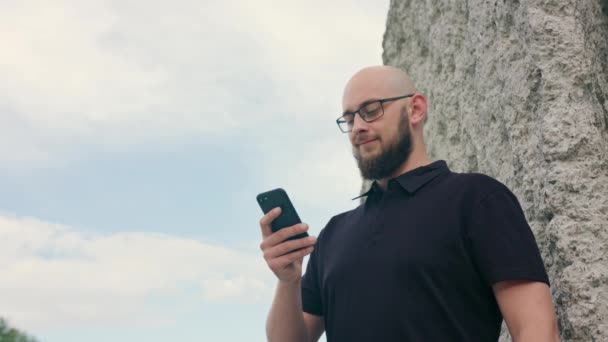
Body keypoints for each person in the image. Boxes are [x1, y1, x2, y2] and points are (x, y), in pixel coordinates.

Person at [258, 65, 560, 342]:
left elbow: (535, 329)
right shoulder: (335, 232)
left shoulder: (477, 199)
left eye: (371, 110)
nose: (358, 127)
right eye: (349, 119)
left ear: (415, 109)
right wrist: (288, 281)